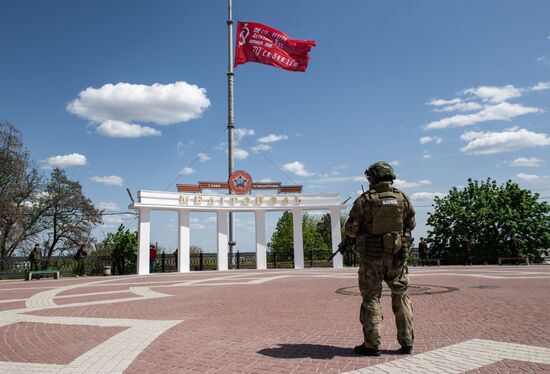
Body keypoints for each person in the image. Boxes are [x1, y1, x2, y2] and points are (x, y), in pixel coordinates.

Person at [340, 161, 416, 356]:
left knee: (372, 298)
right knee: (401, 296)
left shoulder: (365, 200)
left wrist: (349, 240)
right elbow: (411, 224)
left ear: (372, 177)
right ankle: (407, 342)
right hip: (397, 257)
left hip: (372, 259)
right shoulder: (402, 198)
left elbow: (351, 229)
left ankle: (372, 344)